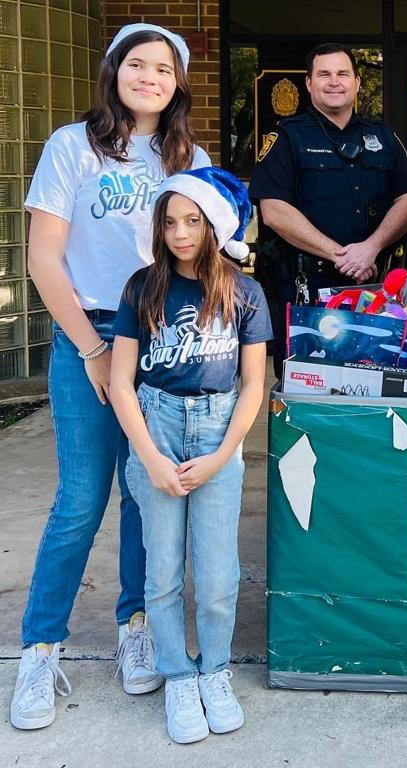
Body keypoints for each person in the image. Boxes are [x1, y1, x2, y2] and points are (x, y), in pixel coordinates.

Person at [11, 22, 210, 732]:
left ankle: (136, 625)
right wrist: (93, 348)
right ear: (114, 70)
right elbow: (43, 259)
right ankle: (40, 647)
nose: (150, 77)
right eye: (137, 64)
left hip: (163, 338)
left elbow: (206, 255)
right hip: (88, 334)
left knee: (144, 493)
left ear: (178, 84)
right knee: (80, 498)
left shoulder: (189, 157)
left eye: (164, 68)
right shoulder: (72, 145)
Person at [109, 167, 272, 744]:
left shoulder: (244, 292)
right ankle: (177, 676)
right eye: (170, 222)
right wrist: (150, 458)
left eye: (193, 221)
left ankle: (214, 672)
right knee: (162, 573)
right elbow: (121, 382)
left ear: (213, 226)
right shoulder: (142, 287)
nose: (180, 233)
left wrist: (223, 455)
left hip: (217, 432)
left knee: (219, 573)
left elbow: (253, 385)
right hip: (156, 426)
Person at [248, 43, 407, 376]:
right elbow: (274, 210)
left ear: (357, 82)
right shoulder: (287, 138)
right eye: (324, 74)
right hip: (306, 289)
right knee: (306, 384)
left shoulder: (383, 137)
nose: (334, 82)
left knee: (373, 380)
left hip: (374, 289)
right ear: (309, 83)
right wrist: (341, 255)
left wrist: (370, 248)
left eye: (343, 74)